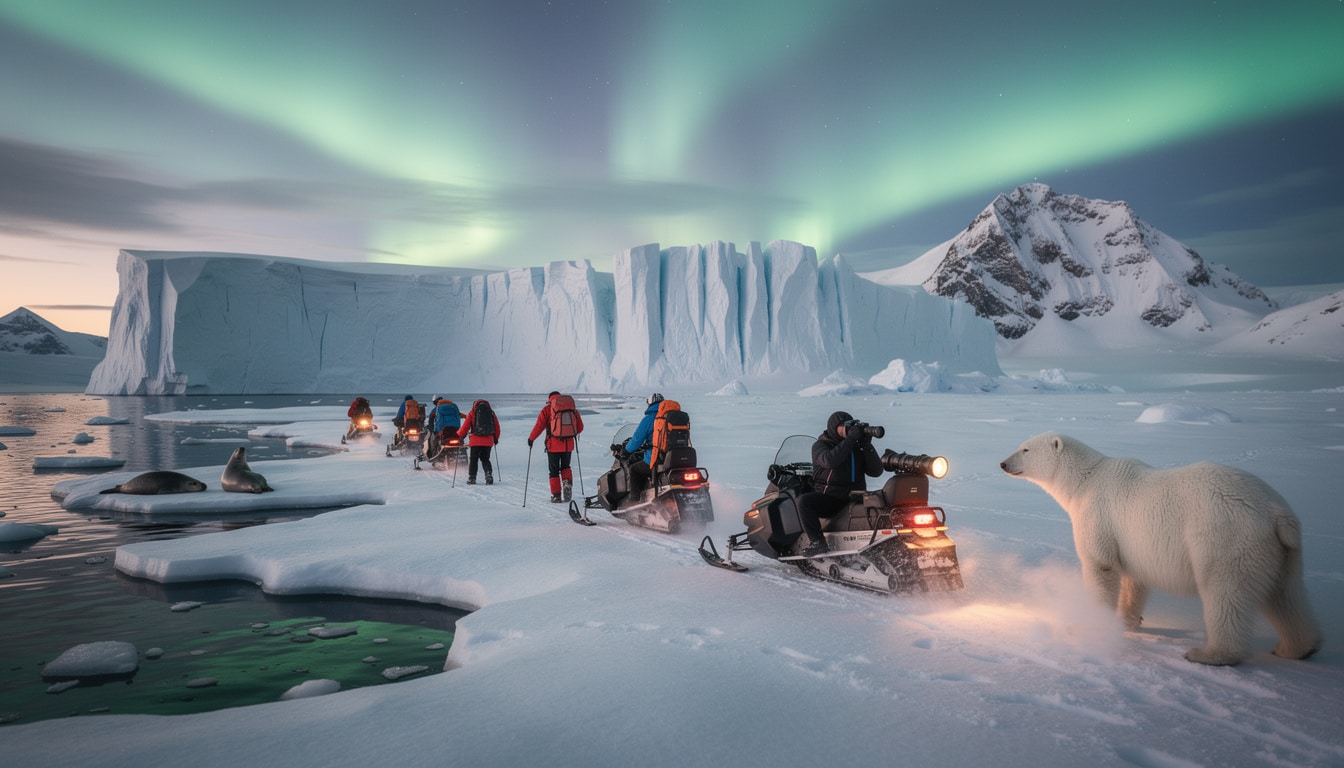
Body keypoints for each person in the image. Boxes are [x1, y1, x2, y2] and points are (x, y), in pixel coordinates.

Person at [797, 410, 883, 556]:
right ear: (834, 428)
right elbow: (830, 461)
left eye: (851, 426)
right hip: (831, 498)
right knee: (804, 502)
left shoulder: (856, 446)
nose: (849, 430)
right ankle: (818, 543)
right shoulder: (821, 445)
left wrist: (867, 446)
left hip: (855, 497)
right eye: (846, 426)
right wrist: (850, 439)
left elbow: (876, 471)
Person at [528, 391, 585, 503]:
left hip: (553, 446)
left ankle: (556, 496)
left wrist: (531, 439)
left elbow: (539, 426)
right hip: (568, 445)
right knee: (566, 467)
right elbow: (580, 427)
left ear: (550, 399)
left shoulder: (547, 410)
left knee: (554, 471)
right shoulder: (571, 409)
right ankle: (567, 482)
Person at [622, 393, 664, 495]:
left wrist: (626, 451)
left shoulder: (649, 419)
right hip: (676, 458)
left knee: (634, 469)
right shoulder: (672, 417)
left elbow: (636, 440)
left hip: (656, 459)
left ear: (650, 404)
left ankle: (634, 500)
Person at [457, 398, 500, 484]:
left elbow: (465, 427)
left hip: (475, 441)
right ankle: (488, 475)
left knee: (474, 459)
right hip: (488, 441)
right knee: (485, 459)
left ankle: (472, 478)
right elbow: (497, 427)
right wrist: (495, 439)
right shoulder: (491, 413)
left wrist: (459, 436)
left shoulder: (472, 412)